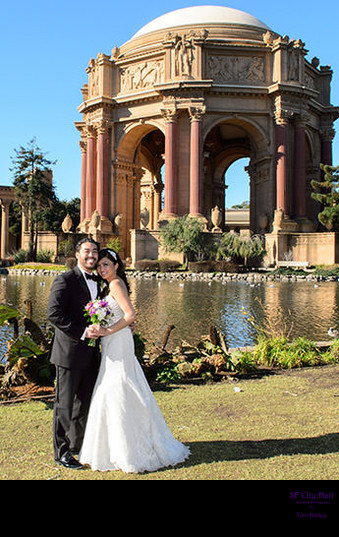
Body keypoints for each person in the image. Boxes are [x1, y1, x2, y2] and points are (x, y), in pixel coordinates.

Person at [79, 248, 190, 473]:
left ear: (116, 265)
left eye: (106, 265)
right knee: (115, 387)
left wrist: (106, 330)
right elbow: (123, 316)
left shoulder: (116, 285)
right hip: (113, 342)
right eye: (99, 265)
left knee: (118, 386)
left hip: (117, 342)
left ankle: (127, 450)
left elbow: (131, 315)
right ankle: (115, 447)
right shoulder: (110, 285)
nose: (101, 269)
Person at [47, 237, 101, 470]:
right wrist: (83, 332)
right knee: (64, 405)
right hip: (69, 353)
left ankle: (77, 446)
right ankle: (61, 452)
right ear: (77, 254)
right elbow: (54, 314)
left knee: (84, 402)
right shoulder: (65, 280)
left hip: (92, 354)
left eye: (95, 252)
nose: (91, 255)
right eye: (87, 251)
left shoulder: (100, 281)